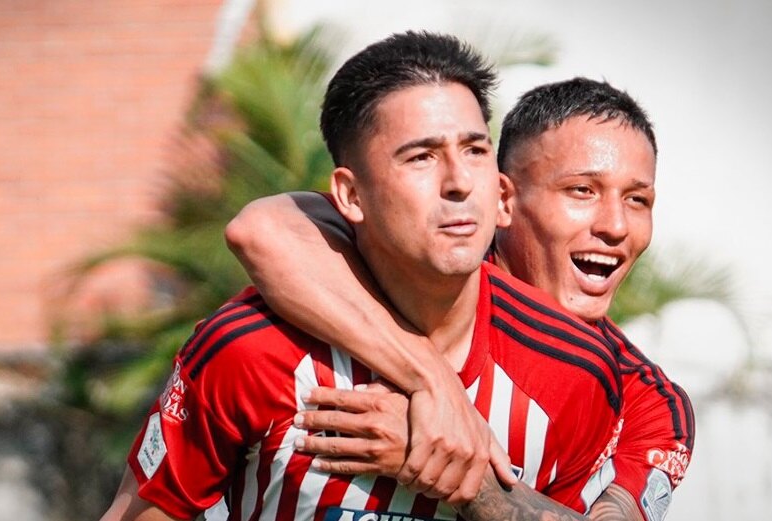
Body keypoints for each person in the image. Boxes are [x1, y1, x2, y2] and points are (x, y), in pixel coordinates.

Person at [101, 31, 624, 521]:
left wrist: (471, 483)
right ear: (351, 196)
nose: (459, 182)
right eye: (421, 157)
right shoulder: (249, 352)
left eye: (474, 149)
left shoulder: (575, 372)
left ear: (502, 189)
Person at [225, 78, 694, 520]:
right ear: (502, 199)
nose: (615, 226)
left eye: (638, 200)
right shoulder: (419, 258)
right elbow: (261, 229)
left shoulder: (652, 405)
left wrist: (457, 468)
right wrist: (436, 383)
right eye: (582, 191)